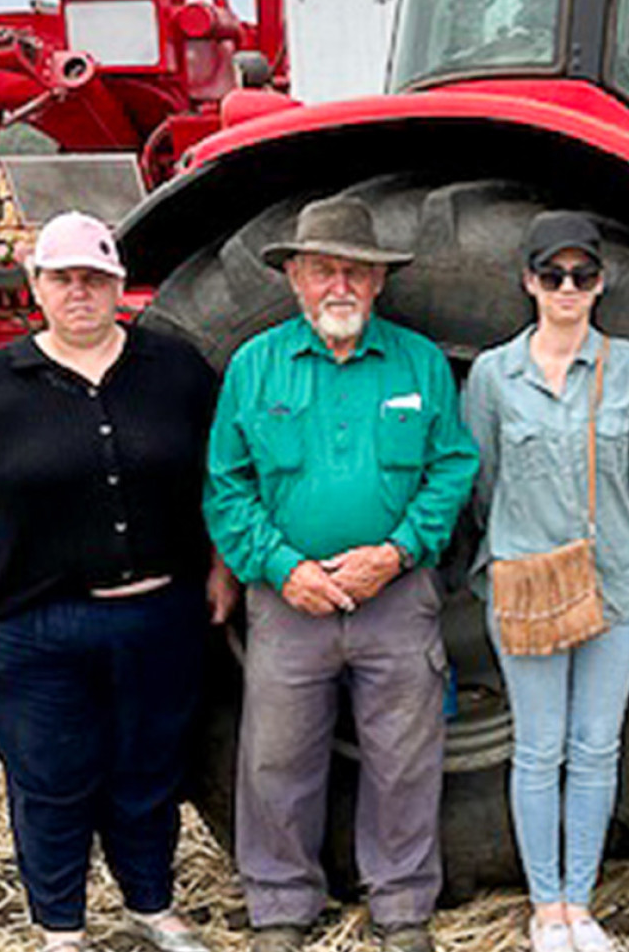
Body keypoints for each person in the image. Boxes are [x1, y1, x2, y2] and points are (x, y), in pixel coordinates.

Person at [0, 211, 234, 952]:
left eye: (94, 278)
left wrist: (222, 567)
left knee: (149, 770)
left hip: (159, 614)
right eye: (63, 278)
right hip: (35, 626)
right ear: (38, 288)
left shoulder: (175, 371)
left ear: (119, 285)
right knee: (52, 779)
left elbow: (220, 478)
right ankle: (60, 925)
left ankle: (151, 904)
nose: (79, 292)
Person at [203, 193, 478, 952]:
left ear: (379, 282)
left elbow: (453, 467)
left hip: (394, 597)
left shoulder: (419, 360)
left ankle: (400, 905)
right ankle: (283, 904)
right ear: (293, 277)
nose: (340, 286)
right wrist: (282, 567)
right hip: (289, 602)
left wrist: (394, 554)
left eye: (356, 272)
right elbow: (226, 485)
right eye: (323, 270)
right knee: (276, 757)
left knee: (404, 759)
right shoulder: (256, 368)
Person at [462, 212, 629, 952]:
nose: (568, 288)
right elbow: (482, 485)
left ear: (601, 281)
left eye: (583, 275)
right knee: (538, 746)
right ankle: (544, 906)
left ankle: (581, 900)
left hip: (614, 582)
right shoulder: (492, 375)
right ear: (529, 280)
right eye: (553, 275)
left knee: (595, 746)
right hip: (525, 584)